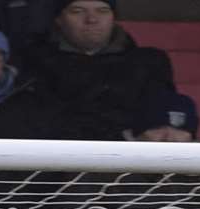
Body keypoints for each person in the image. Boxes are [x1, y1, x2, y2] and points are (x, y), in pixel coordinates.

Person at [22, 0, 179, 142]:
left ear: (113, 18)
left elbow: (162, 111)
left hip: (131, 162)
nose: (91, 19)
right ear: (59, 20)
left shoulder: (149, 62)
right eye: (78, 11)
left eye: (102, 11)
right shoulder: (34, 60)